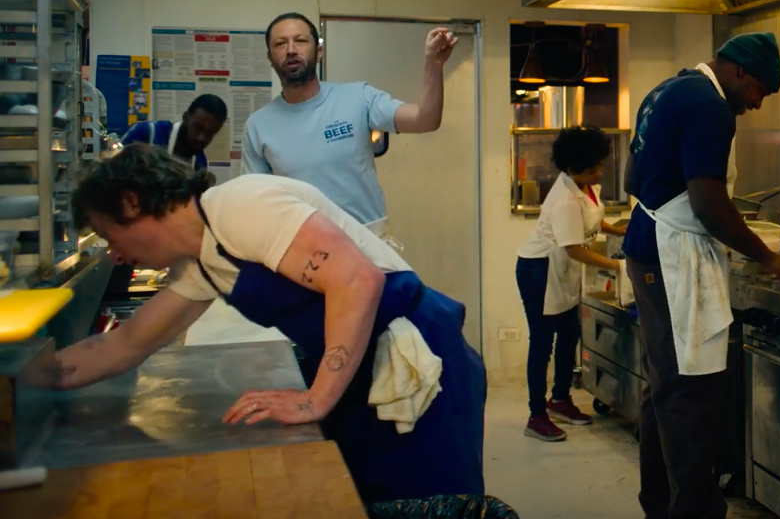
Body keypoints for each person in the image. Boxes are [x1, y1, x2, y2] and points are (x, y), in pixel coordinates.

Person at [57, 144, 488, 505]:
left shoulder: (242, 206)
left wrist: (314, 401)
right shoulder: (204, 263)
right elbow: (126, 345)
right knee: (372, 499)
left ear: (131, 203)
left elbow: (358, 280)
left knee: (431, 503)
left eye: (108, 235)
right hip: (361, 374)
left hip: (421, 364)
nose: (113, 254)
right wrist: (24, 374)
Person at [623, 32, 780, 519]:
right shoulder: (710, 106)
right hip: (669, 256)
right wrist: (769, 257)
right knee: (688, 392)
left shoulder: (667, 90)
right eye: (760, 91)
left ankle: (660, 506)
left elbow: (630, 180)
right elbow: (707, 203)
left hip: (647, 248)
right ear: (741, 71)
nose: (757, 105)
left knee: (663, 390)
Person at [242, 12, 457, 243]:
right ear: (270, 57)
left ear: (319, 52)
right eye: (280, 43)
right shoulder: (258, 126)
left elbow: (425, 119)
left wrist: (433, 65)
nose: (291, 49)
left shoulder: (358, 97)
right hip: (303, 250)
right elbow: (257, 204)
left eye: (301, 40)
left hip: (367, 243)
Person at [514, 125, 628, 442]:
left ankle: (560, 399)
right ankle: (536, 415)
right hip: (539, 271)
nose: (600, 171)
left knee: (569, 334)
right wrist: (618, 266)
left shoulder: (584, 186)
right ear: (574, 167)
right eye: (594, 167)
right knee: (542, 342)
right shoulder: (565, 198)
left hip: (560, 271)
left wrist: (619, 230)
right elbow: (574, 248)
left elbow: (591, 218)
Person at [121, 93, 228, 170]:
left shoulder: (199, 164)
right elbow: (110, 171)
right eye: (197, 128)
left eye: (210, 133)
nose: (201, 137)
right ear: (185, 117)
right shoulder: (148, 133)